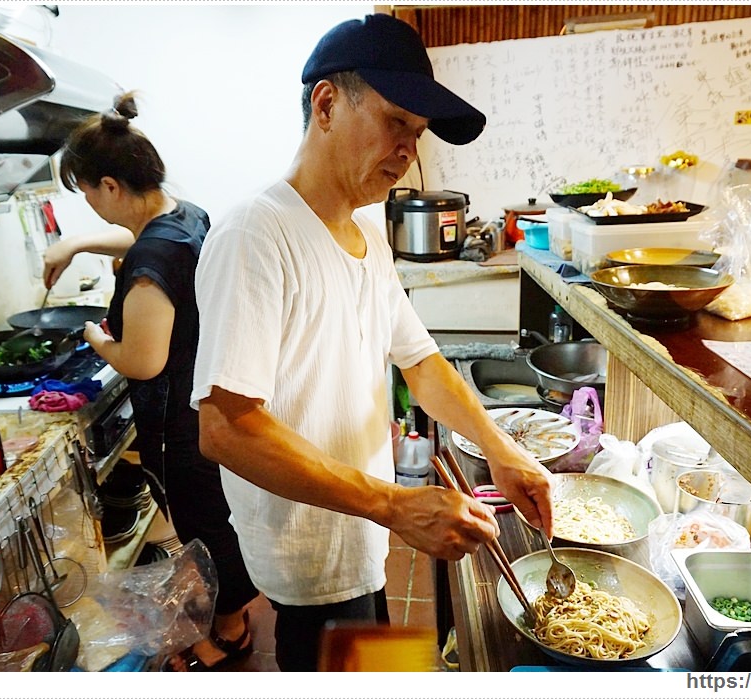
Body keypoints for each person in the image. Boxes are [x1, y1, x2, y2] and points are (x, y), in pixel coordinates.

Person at [192, 15, 553, 671]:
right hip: (309, 553)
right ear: (327, 104)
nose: (408, 150)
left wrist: (501, 451)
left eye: (417, 134)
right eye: (395, 123)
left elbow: (421, 362)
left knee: (382, 666)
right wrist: (395, 505)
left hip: (361, 534)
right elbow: (226, 427)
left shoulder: (367, 234)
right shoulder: (256, 233)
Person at [43, 92, 258, 670]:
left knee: (204, 522)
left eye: (87, 193)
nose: (90, 205)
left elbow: (142, 361)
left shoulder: (149, 266)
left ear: (111, 186)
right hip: (209, 397)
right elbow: (146, 238)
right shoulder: (184, 215)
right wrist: (77, 243)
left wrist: (96, 338)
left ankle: (232, 629)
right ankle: (226, 606)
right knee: (217, 515)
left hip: (177, 419)